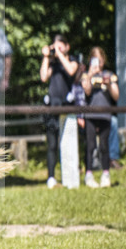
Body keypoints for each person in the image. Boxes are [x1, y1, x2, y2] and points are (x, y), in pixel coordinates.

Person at [39, 34, 79, 189]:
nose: (58, 47)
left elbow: (71, 71)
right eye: (55, 44)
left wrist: (60, 54)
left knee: (68, 143)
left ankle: (69, 177)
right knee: (52, 144)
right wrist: (46, 57)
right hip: (52, 106)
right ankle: (51, 177)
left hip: (67, 106)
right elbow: (43, 77)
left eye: (61, 44)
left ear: (67, 46)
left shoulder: (73, 60)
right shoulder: (53, 63)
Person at [82, 46, 119, 188]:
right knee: (90, 145)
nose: (98, 62)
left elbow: (116, 95)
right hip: (90, 115)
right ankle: (89, 174)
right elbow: (86, 91)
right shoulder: (86, 75)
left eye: (100, 59)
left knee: (104, 145)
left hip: (105, 114)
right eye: (95, 59)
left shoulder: (110, 74)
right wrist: (91, 75)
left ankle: (105, 174)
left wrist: (109, 84)